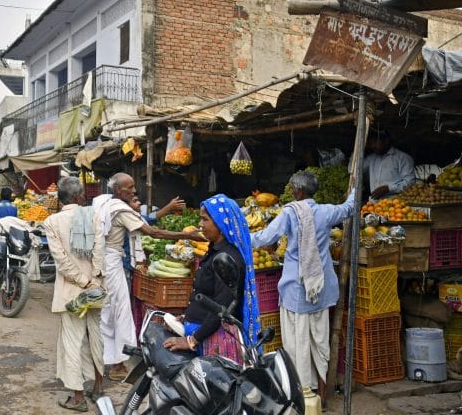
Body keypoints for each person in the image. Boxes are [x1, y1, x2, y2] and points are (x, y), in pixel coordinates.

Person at [250, 170, 354, 408]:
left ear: (298, 190)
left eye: (292, 188)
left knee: (297, 344)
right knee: (320, 342)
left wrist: (240, 237)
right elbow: (348, 207)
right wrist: (356, 190)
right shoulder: (326, 211)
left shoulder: (290, 212)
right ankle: (321, 397)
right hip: (321, 289)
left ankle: (301, 395)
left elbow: (266, 236)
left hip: (297, 290)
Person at [92, 172, 205, 381]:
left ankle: (109, 360)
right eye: (129, 188)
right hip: (113, 263)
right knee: (120, 311)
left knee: (110, 311)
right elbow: (153, 232)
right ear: (117, 190)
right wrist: (186, 235)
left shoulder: (107, 204)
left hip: (107, 262)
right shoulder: (120, 209)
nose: (134, 191)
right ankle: (117, 363)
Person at [162, 195, 260, 363]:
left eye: (205, 220)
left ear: (221, 224)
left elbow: (221, 309)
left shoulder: (227, 259)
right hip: (201, 331)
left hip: (213, 339)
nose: (200, 225)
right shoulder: (214, 251)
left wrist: (191, 340)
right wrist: (187, 316)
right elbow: (208, 296)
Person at [42, 176, 105, 412]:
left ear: (61, 199)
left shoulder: (52, 222)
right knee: (96, 338)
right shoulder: (94, 216)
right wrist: (94, 280)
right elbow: (100, 252)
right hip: (95, 289)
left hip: (71, 291)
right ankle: (98, 386)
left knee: (73, 343)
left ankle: (78, 398)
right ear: (80, 197)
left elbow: (61, 261)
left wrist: (82, 280)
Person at [362, 129, 415, 200]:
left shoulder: (403, 158)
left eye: (375, 142)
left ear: (386, 141)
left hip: (396, 206)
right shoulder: (371, 158)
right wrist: (358, 151)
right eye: (371, 144)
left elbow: (410, 183)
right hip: (373, 205)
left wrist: (388, 188)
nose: (373, 146)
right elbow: (354, 170)